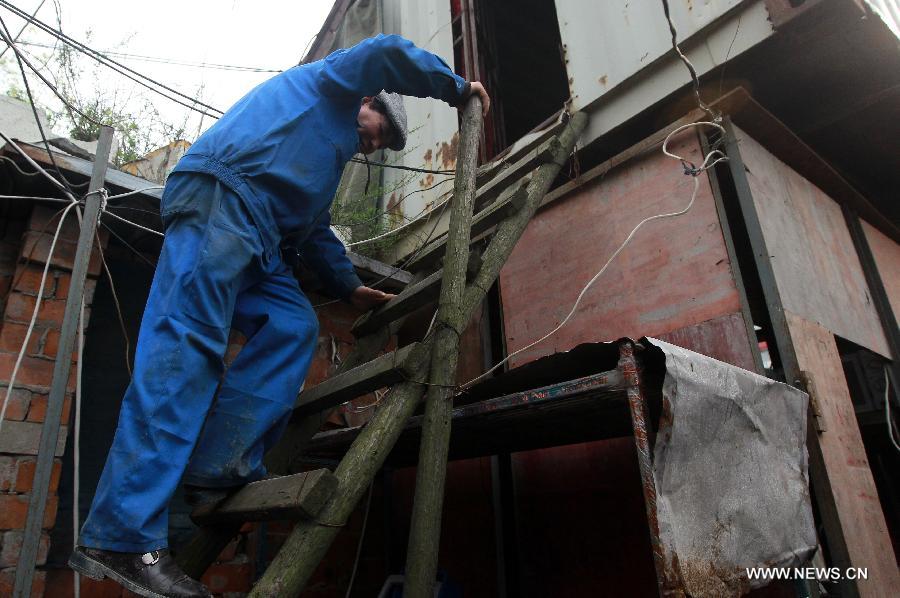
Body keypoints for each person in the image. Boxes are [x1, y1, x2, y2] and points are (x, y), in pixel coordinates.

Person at [68, 33, 490, 598]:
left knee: (293, 325)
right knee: (186, 353)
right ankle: (121, 535)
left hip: (258, 239)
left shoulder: (326, 163)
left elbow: (314, 233)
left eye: (381, 145)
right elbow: (386, 51)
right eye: (379, 130)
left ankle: (217, 467)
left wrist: (351, 287)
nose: (372, 144)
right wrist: (456, 88)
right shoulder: (330, 84)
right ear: (368, 102)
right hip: (222, 202)